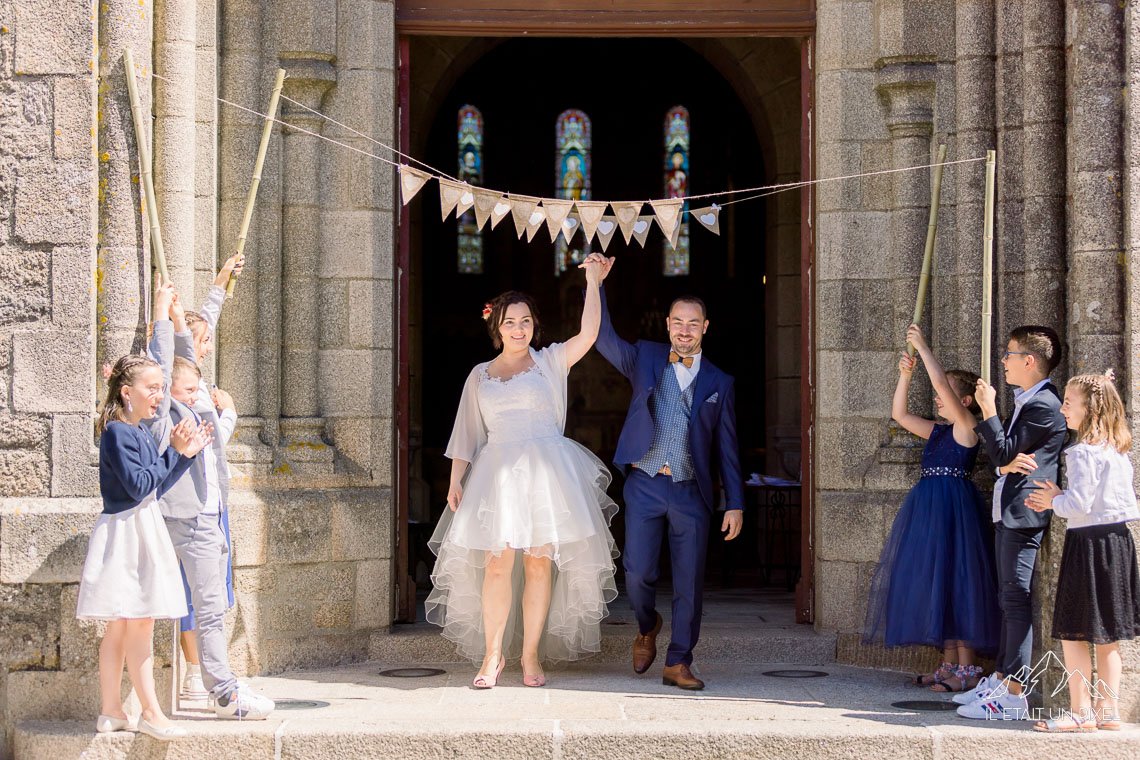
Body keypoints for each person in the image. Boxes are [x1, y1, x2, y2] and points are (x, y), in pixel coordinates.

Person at [426, 254, 618, 688]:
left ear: (534, 326)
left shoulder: (550, 362)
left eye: (526, 322)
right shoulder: (480, 375)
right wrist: (456, 479)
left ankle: (530, 655)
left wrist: (593, 281)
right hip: (496, 476)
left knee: (538, 565)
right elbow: (466, 431)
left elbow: (589, 333)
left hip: (546, 474)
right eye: (510, 322)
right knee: (497, 564)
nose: (519, 329)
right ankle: (493, 655)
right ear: (496, 327)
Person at [595, 262, 744, 691]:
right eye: (678, 322)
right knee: (637, 572)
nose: (684, 330)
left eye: (693, 323)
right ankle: (647, 626)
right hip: (644, 483)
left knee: (689, 582)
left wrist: (734, 503)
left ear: (705, 327)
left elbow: (727, 447)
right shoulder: (644, 356)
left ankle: (679, 661)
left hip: (690, 490)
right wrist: (595, 285)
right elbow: (603, 338)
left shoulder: (720, 382)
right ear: (667, 324)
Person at [77, 283, 212, 741]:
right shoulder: (118, 432)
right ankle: (150, 713)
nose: (159, 396)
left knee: (123, 626)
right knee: (136, 622)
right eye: (152, 389)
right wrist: (175, 451)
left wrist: (185, 455)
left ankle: (112, 711)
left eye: (161, 388)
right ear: (126, 392)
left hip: (140, 525)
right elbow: (138, 486)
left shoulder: (134, 430)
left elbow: (155, 482)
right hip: (127, 532)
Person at [146, 283, 275, 720]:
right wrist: (161, 313)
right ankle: (224, 694)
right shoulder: (163, 412)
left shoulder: (191, 401)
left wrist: (180, 318)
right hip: (188, 518)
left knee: (214, 606)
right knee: (208, 608)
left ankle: (221, 685)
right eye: (186, 391)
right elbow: (164, 365)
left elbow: (186, 362)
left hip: (208, 514)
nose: (194, 395)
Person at [864, 325, 999, 692]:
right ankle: (949, 663)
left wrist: (923, 347)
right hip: (930, 511)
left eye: (947, 394)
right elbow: (900, 414)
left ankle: (968, 669)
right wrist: (905, 376)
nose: (938, 397)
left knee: (960, 582)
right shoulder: (938, 431)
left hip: (954, 512)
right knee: (940, 583)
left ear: (964, 401)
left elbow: (939, 383)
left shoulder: (967, 427)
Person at [956, 326, 1068, 720]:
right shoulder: (1028, 400)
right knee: (1007, 599)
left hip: (1025, 511)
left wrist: (988, 410)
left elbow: (1002, 449)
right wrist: (1002, 463)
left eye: (1009, 354)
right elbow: (1001, 458)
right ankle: (1001, 678)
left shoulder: (1044, 405)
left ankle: (1014, 692)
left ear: (1029, 361)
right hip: (1010, 508)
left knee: (1016, 599)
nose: (1003, 361)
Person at [1026, 371, 1140, 733]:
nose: (1063, 409)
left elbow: (1079, 504)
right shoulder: (1117, 451)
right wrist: (1062, 496)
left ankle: (1081, 711)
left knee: (1074, 631)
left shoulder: (1081, 453)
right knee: (1108, 634)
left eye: (1068, 403)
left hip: (1088, 546)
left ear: (1089, 408)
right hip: (1118, 544)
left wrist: (1053, 500)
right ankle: (1108, 711)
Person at [175, 255, 241, 698]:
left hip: (215, 499)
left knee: (215, 592)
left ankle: (209, 673)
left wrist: (220, 280)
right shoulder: (186, 388)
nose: (209, 347)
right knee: (195, 592)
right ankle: (197, 674)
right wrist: (229, 411)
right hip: (194, 503)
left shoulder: (196, 382)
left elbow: (205, 321)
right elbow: (210, 439)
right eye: (204, 342)